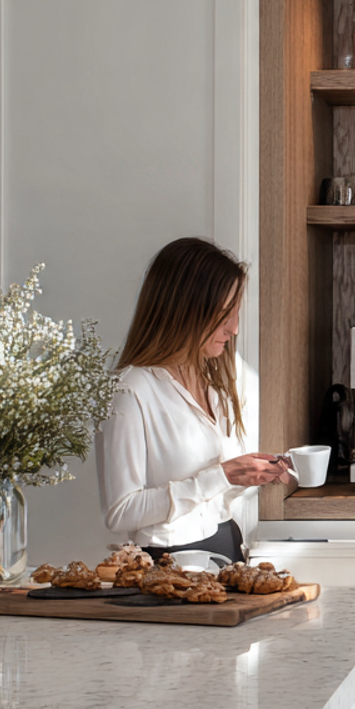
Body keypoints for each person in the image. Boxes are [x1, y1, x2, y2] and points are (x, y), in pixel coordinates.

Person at [97, 237, 289, 562]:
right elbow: (121, 512)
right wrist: (222, 475)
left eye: (236, 313)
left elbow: (210, 494)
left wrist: (251, 474)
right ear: (184, 310)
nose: (234, 329)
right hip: (172, 563)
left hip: (227, 543)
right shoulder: (129, 390)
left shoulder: (211, 380)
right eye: (224, 315)